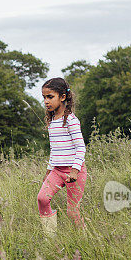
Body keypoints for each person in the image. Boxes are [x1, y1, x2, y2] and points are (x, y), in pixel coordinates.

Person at [37, 77, 88, 233]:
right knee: (42, 198)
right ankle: (50, 236)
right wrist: (48, 170)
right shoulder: (52, 121)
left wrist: (74, 170)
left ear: (63, 97)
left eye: (50, 97)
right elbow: (55, 149)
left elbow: (81, 147)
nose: (46, 101)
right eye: (44, 97)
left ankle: (85, 238)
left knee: (72, 211)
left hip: (74, 172)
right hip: (57, 171)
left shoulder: (71, 120)